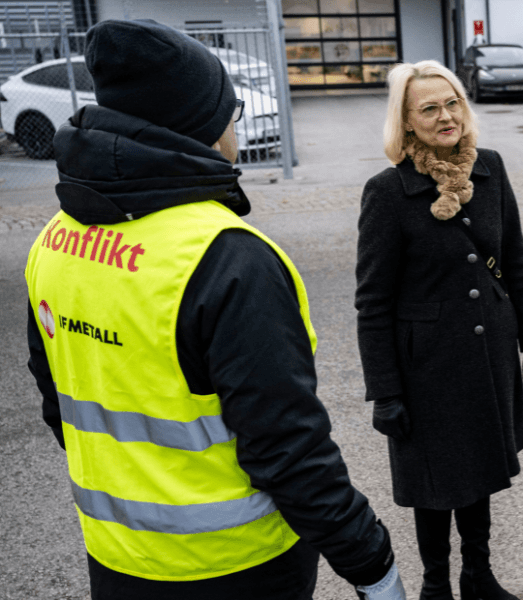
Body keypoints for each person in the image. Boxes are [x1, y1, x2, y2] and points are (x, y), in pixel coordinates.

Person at [24, 20, 402, 600]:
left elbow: (59, 403)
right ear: (200, 126)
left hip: (117, 559)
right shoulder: (227, 258)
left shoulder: (54, 240)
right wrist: (372, 564)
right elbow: (288, 449)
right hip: (238, 566)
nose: (233, 127)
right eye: (231, 111)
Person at [355, 60, 523, 600]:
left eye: (453, 103)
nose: (446, 116)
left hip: (488, 350)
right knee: (435, 482)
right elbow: (371, 303)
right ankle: (436, 586)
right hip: (427, 367)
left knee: (480, 468)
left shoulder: (489, 168)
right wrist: (386, 391)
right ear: (407, 121)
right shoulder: (388, 192)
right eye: (430, 108)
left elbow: (514, 263)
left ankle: (479, 576)